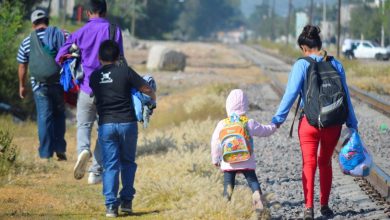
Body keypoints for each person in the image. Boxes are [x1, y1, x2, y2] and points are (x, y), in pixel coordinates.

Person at [271, 25, 358, 219]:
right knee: (325, 162)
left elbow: (291, 94)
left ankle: (309, 207)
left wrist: (278, 120)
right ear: (319, 44)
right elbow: (346, 97)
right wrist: (352, 123)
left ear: (303, 47)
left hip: (309, 124)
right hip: (333, 123)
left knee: (308, 163)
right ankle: (325, 206)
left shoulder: (301, 64)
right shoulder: (336, 64)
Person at [56, 0, 125, 184]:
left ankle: (83, 151)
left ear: (87, 13)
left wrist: (75, 56)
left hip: (87, 88)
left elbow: (60, 56)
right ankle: (95, 171)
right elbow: (121, 59)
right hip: (109, 91)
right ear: (105, 11)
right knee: (105, 129)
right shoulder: (114, 30)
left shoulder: (81, 32)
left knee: (84, 125)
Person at [89, 40, 156, 217]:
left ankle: (111, 206)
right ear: (118, 56)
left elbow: (97, 99)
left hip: (106, 124)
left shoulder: (94, 77)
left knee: (110, 165)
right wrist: (153, 98)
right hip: (127, 124)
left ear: (99, 57)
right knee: (127, 163)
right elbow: (146, 88)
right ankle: (126, 202)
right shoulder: (125, 72)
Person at [210, 89, 277, 216]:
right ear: (245, 106)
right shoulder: (248, 122)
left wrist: (215, 159)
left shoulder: (223, 123)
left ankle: (226, 205)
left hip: (228, 162)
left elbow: (215, 142)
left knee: (228, 184)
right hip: (246, 160)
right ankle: (257, 197)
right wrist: (274, 125)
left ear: (228, 106)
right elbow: (265, 131)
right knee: (252, 181)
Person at [17, 9, 67, 161]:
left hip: (39, 85)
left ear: (33, 24)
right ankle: (59, 148)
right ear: (47, 21)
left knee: (44, 117)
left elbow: (22, 66)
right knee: (59, 115)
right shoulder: (60, 35)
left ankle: (45, 154)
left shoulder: (26, 41)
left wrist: (22, 86)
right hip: (58, 83)